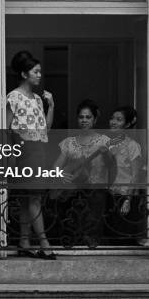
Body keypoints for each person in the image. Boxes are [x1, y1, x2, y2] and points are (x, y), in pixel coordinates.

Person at [6, 51, 56, 259]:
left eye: (40, 72)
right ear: (24, 74)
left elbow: (46, 130)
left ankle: (24, 242)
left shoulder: (37, 98)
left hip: (39, 150)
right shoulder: (13, 97)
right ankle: (44, 243)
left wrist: (51, 106)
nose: (39, 75)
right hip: (23, 150)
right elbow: (6, 128)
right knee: (33, 197)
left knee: (30, 198)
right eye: (35, 72)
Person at [52, 99, 116, 248]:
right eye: (81, 117)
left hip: (95, 191)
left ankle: (91, 240)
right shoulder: (69, 142)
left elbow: (112, 165)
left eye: (88, 117)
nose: (84, 120)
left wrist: (106, 154)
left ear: (94, 120)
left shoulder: (105, 140)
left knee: (92, 223)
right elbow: (56, 166)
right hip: (74, 192)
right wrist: (61, 175)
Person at [105, 106, 146, 244]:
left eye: (118, 119)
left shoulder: (132, 146)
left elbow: (135, 175)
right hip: (110, 195)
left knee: (123, 240)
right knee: (110, 239)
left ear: (127, 124)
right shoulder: (107, 144)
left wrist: (128, 199)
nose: (113, 122)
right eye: (112, 118)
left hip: (125, 197)